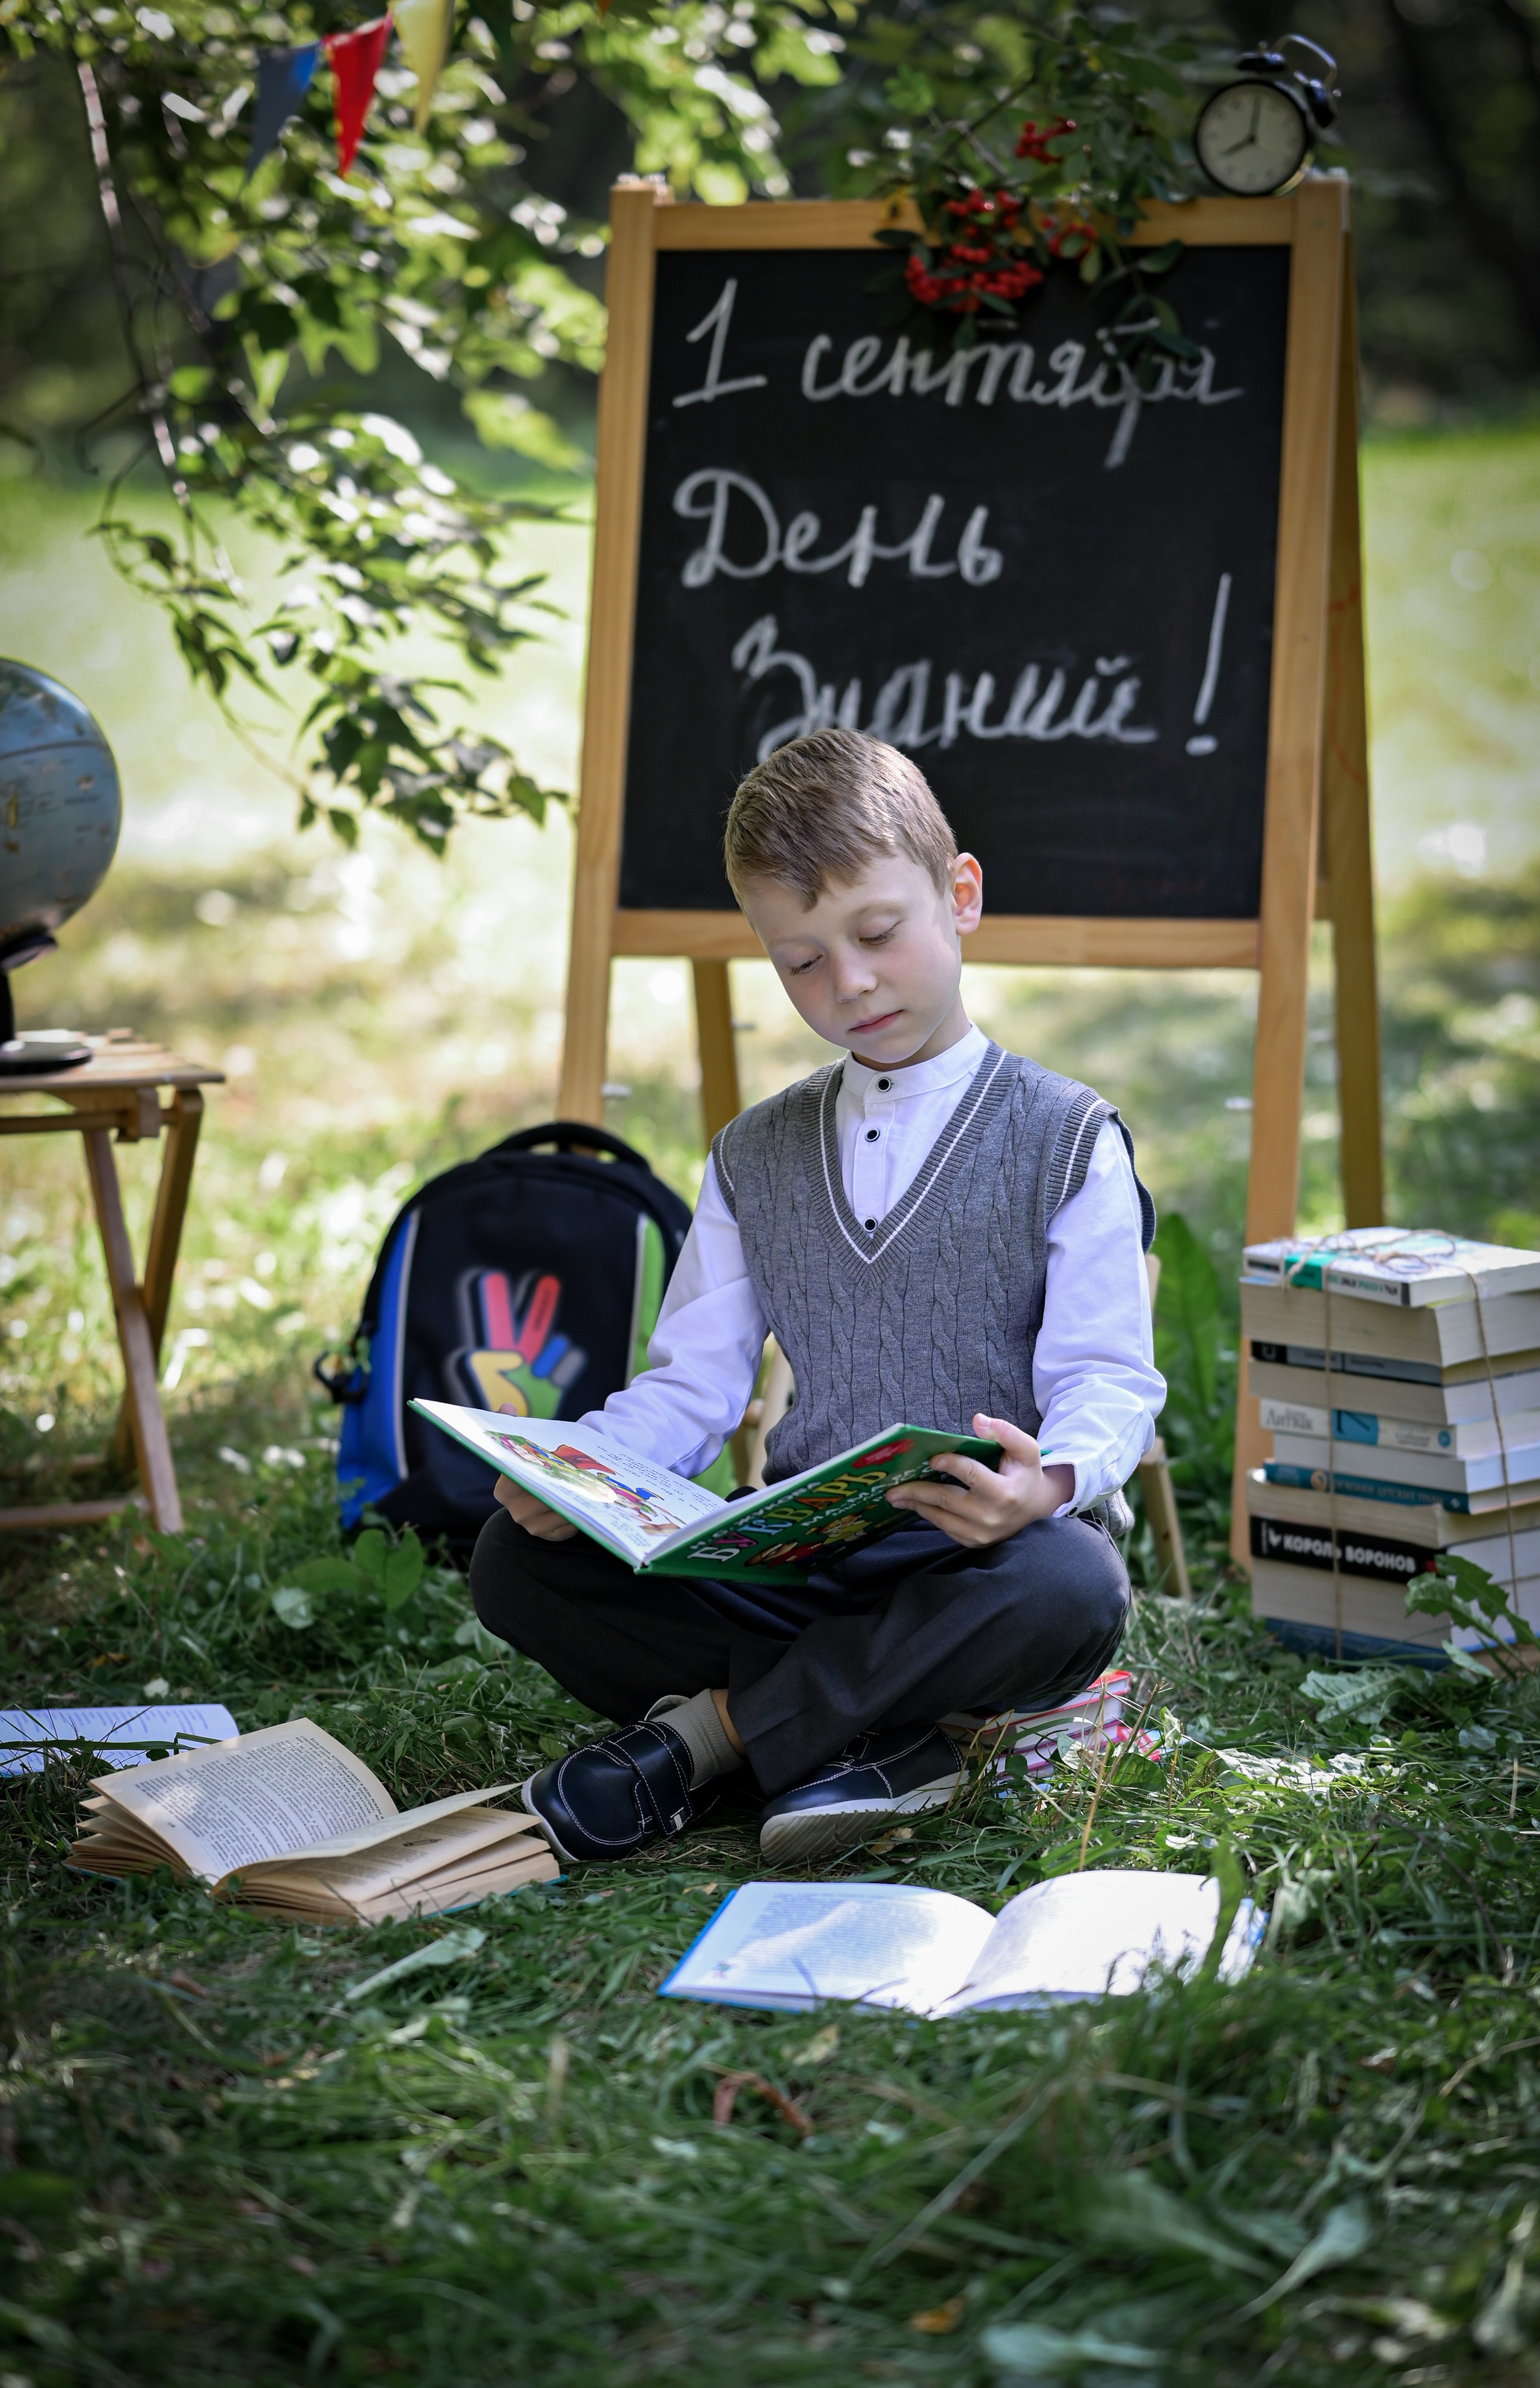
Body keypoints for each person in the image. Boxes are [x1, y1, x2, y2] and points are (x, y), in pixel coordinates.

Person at [470, 729, 1165, 1866]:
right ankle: (886, 1734)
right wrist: (580, 1475)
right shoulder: (755, 1152)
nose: (847, 983)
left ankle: (707, 1738)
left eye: (877, 933)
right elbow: (691, 1387)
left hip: (981, 1556)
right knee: (514, 1562)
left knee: (1073, 1584)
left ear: (961, 895)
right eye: (798, 961)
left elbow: (1106, 1377)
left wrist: (1052, 1483)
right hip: (800, 1568)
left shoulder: (1064, 1137)